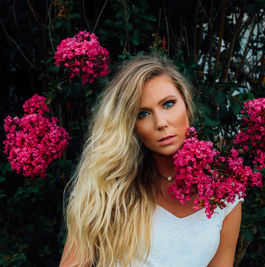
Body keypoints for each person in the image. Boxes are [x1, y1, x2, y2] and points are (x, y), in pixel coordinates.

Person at [60, 55, 243, 267]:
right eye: (143, 114)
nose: (161, 122)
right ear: (130, 126)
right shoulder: (107, 189)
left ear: (186, 103)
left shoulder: (225, 195)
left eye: (168, 104)